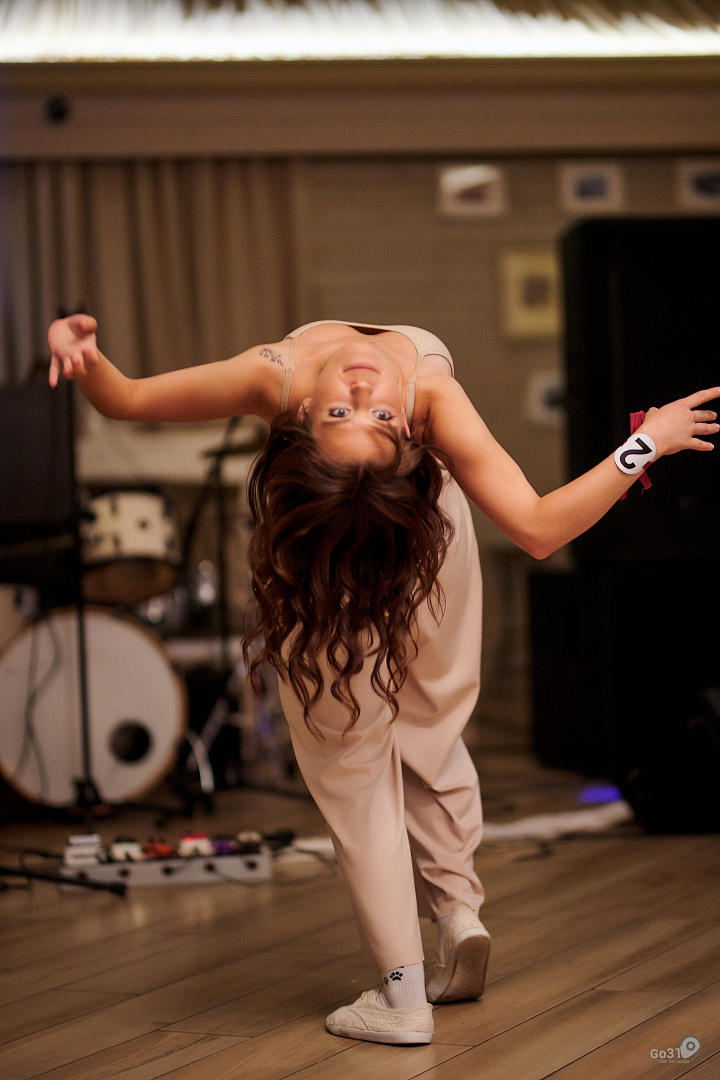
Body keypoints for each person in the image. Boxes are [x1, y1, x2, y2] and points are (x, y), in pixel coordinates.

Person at [48, 313, 719, 1046]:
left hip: (393, 538)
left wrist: (648, 443)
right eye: (354, 413)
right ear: (304, 417)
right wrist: (648, 444)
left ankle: (402, 997)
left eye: (361, 414)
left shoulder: (280, 375)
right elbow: (124, 398)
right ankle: (456, 911)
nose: (365, 391)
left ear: (304, 419)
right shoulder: (423, 392)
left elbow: (537, 530)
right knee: (429, 725)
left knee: (350, 764)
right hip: (372, 543)